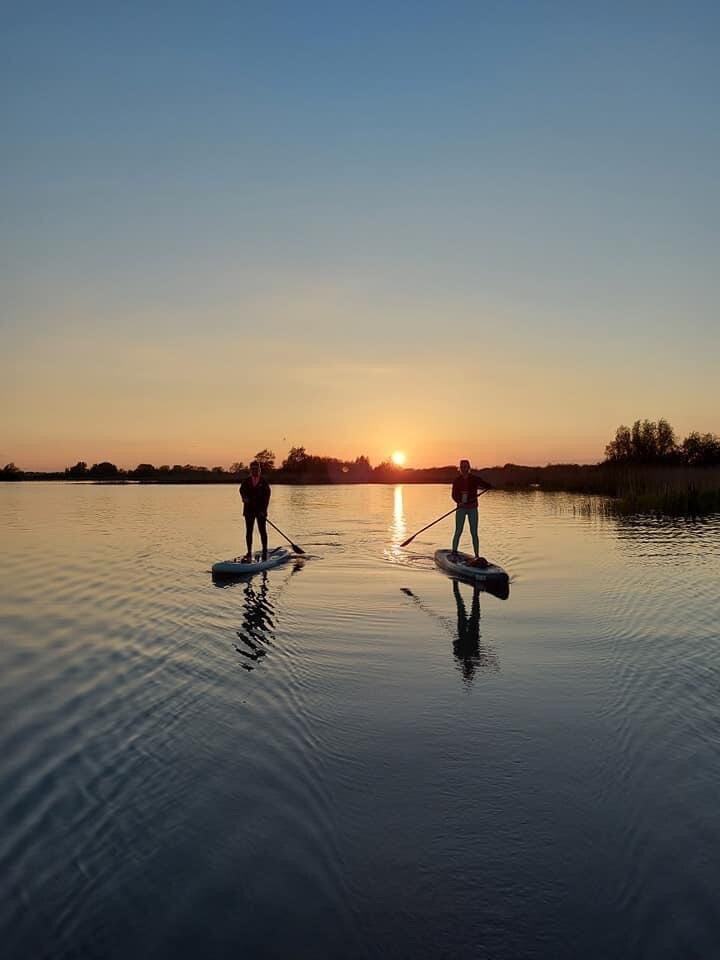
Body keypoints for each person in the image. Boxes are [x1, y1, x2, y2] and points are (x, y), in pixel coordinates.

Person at [450, 459, 492, 562]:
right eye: (462, 467)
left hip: (473, 508)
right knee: (458, 531)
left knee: (474, 532)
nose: (464, 468)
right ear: (460, 468)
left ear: (469, 467)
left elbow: (485, 484)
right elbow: (454, 495)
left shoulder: (475, 479)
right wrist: (458, 502)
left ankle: (476, 555)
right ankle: (454, 552)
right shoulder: (457, 480)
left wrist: (489, 486)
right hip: (461, 508)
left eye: (466, 466)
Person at [239, 461, 271, 562]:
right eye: (252, 469)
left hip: (260, 511)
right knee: (249, 531)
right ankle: (249, 552)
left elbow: (267, 497)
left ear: (259, 470)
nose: (254, 471)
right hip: (249, 510)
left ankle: (265, 550)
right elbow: (241, 490)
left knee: (262, 531)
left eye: (256, 469)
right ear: (250, 470)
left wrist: (264, 510)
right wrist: (244, 498)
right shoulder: (246, 481)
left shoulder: (264, 482)